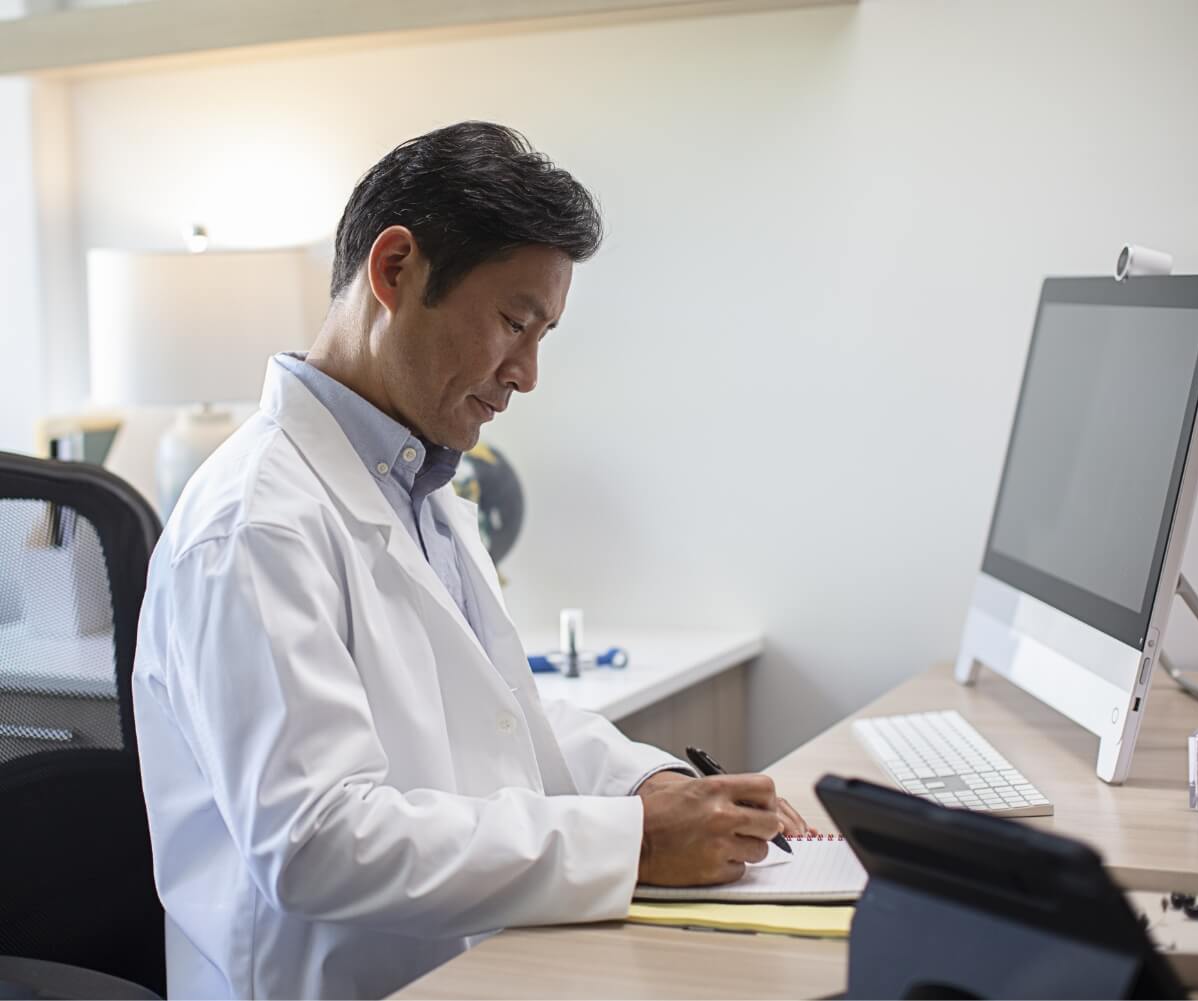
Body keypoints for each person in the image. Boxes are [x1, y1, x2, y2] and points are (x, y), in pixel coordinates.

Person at [132, 121, 814, 1000]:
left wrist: (648, 779)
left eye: (543, 334)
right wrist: (633, 839)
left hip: (476, 966)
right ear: (394, 270)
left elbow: (499, 717)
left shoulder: (415, 485)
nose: (526, 372)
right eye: (513, 322)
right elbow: (315, 843)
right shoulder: (252, 527)